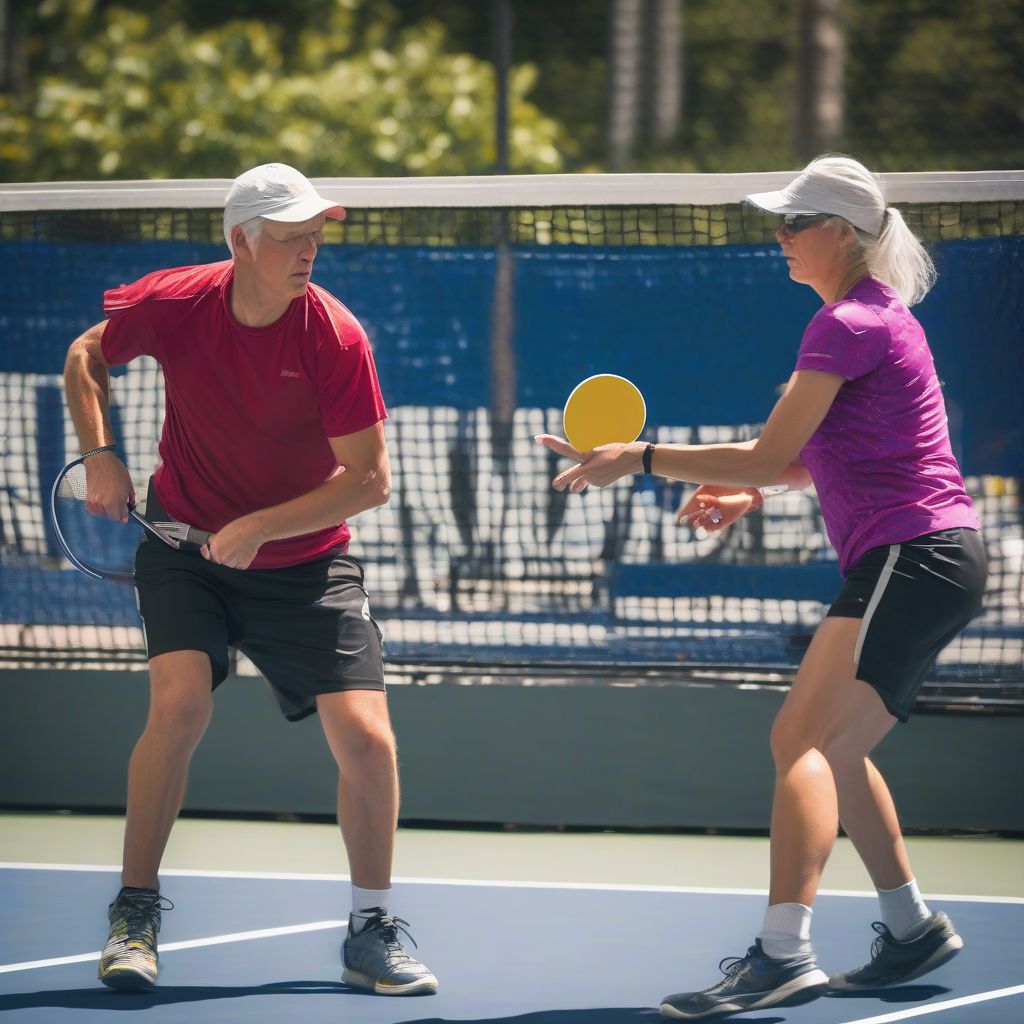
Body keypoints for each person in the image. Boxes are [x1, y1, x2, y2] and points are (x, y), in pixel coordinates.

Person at [536, 154, 986, 1020]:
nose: (777, 237)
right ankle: (912, 927)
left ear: (841, 235)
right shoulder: (875, 320)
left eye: (791, 223)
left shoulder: (847, 324)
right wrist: (753, 491)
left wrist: (641, 458)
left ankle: (782, 954)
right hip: (927, 558)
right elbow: (819, 458)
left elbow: (764, 450)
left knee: (805, 746)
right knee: (826, 746)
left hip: (914, 554)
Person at [63, 163, 437, 997]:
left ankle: (371, 926)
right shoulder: (178, 301)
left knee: (369, 741)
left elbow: (370, 480)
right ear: (243, 240)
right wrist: (100, 453)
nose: (312, 248)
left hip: (306, 564)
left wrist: (265, 526)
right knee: (181, 704)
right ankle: (134, 913)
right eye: (293, 234)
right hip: (184, 548)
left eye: (317, 233)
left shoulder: (335, 337)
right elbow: (88, 354)